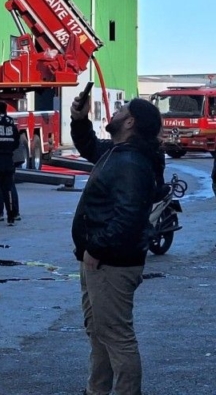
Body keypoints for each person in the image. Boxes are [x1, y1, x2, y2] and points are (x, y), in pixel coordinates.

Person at [70, 97, 164, 395]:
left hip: (111, 263)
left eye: (121, 111)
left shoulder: (131, 162)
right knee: (99, 332)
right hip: (99, 260)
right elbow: (89, 147)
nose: (115, 112)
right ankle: (96, 390)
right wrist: (80, 120)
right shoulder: (119, 152)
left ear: (130, 122)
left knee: (116, 334)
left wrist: (97, 249)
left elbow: (129, 217)